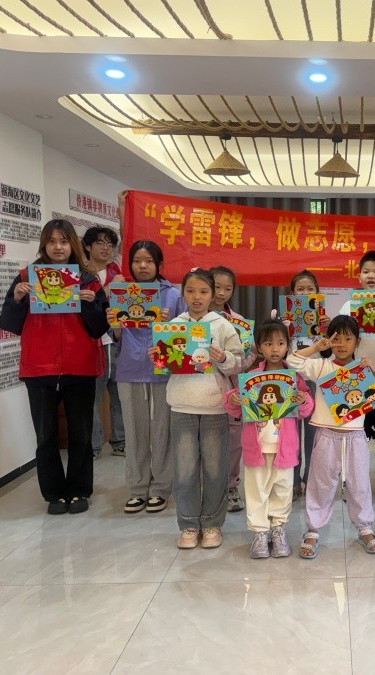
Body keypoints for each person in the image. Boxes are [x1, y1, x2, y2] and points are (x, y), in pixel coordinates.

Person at [0, 219, 109, 515]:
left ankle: (79, 490)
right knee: (45, 435)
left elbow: (100, 328)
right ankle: (54, 494)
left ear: (73, 244)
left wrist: (90, 303)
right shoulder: (27, 277)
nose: (58, 247)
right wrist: (17, 299)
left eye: (63, 241)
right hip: (39, 367)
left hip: (79, 366)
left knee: (81, 434)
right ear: (43, 244)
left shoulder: (87, 279)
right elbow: (9, 324)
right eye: (52, 241)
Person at [155, 268, 244, 549]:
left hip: (214, 406)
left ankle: (213, 523)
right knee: (184, 468)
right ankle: (189, 524)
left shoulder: (222, 325)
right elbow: (164, 366)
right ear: (183, 293)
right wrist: (158, 357)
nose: (197, 297)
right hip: (181, 404)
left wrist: (224, 357)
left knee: (215, 469)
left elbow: (239, 362)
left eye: (204, 291)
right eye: (191, 291)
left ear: (212, 294)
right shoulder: (173, 325)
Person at [289, 315, 375, 559]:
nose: (341, 344)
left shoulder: (361, 369)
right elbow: (293, 361)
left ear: (357, 341)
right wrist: (316, 348)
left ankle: (364, 527)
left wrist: (374, 373)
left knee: (359, 485)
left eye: (347, 339)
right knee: (321, 484)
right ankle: (313, 529)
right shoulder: (322, 366)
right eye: (336, 339)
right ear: (328, 340)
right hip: (326, 435)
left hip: (356, 437)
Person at [224, 319, 314, 559]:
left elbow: (306, 409)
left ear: (287, 345)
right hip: (256, 449)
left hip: (285, 449)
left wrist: (303, 400)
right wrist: (232, 400)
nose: (275, 348)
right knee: (256, 491)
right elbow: (235, 406)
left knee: (283, 490)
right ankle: (260, 532)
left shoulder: (294, 377)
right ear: (259, 347)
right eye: (268, 343)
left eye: (281, 343)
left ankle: (278, 528)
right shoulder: (251, 376)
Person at [111, 240, 185, 514]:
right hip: (129, 368)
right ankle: (137, 488)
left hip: (162, 371)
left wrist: (169, 325)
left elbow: (184, 337)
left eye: (149, 261)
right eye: (137, 261)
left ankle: (161, 488)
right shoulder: (121, 294)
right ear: (130, 264)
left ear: (159, 264)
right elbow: (116, 338)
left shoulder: (172, 295)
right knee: (134, 431)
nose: (142, 266)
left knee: (162, 431)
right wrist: (115, 325)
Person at [330, 251, 375, 501]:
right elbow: (339, 340)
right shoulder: (348, 306)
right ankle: (349, 478)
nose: (371, 276)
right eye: (366, 271)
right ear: (359, 277)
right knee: (352, 432)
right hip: (355, 379)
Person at [82, 226, 125, 459]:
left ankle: (120, 442)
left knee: (119, 395)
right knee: (92, 397)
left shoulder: (116, 271)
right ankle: (94, 445)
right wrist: (109, 288)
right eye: (100, 243)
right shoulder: (78, 274)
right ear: (88, 246)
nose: (106, 248)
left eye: (109, 244)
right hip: (90, 343)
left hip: (115, 341)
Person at [207, 265, 248, 513]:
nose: (221, 293)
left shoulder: (240, 322)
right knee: (206, 443)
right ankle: (209, 488)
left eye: (227, 288)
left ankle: (231, 486)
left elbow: (247, 358)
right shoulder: (192, 321)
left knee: (234, 442)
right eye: (216, 287)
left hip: (232, 391)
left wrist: (245, 357)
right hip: (202, 391)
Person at [281, 270, 323, 499]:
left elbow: (329, 353)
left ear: (317, 292)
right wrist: (282, 327)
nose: (305, 293)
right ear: (292, 293)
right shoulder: (283, 319)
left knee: (313, 433)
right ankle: (293, 480)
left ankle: (310, 479)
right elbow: (277, 350)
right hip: (290, 380)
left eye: (310, 289)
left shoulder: (323, 320)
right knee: (291, 434)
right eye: (300, 289)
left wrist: (328, 329)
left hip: (314, 379)